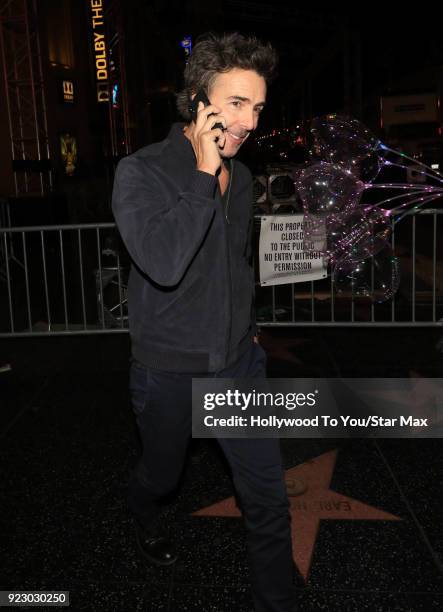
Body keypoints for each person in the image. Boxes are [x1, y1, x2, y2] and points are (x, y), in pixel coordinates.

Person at [112, 32, 297, 612]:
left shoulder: (241, 180)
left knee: (267, 495)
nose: (248, 122)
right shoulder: (140, 173)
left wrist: (246, 323)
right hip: (169, 371)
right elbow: (165, 264)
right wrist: (201, 174)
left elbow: (232, 262)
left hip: (237, 366)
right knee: (162, 479)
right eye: (236, 104)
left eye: (258, 107)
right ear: (198, 101)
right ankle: (142, 510)